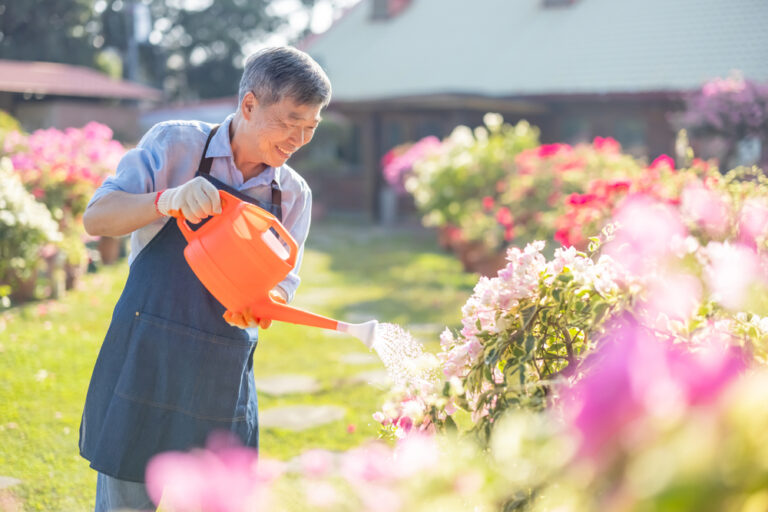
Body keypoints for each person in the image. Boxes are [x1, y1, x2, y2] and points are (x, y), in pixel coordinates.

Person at [79, 46, 331, 511]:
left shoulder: (291, 195)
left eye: (311, 127)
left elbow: (280, 287)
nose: (298, 138)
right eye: (290, 120)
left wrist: (259, 301)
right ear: (250, 105)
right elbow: (97, 219)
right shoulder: (175, 145)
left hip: (222, 372)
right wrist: (167, 198)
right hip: (146, 359)